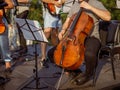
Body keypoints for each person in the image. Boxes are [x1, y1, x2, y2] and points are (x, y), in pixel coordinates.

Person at [58, 0, 111, 85]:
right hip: (75, 37)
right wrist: (63, 30)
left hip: (92, 37)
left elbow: (108, 17)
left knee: (89, 54)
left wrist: (90, 7)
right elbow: (67, 21)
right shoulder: (75, 4)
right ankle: (74, 70)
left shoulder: (95, 3)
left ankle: (88, 73)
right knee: (54, 53)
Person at [40, 0, 66, 67]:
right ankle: (43, 58)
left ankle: (56, 56)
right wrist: (54, 2)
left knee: (55, 33)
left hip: (59, 12)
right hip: (49, 11)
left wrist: (61, 1)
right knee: (47, 32)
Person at [0, 0, 14, 85]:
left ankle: (7, 63)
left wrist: (2, 5)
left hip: (1, 21)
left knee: (3, 44)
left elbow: (11, 5)